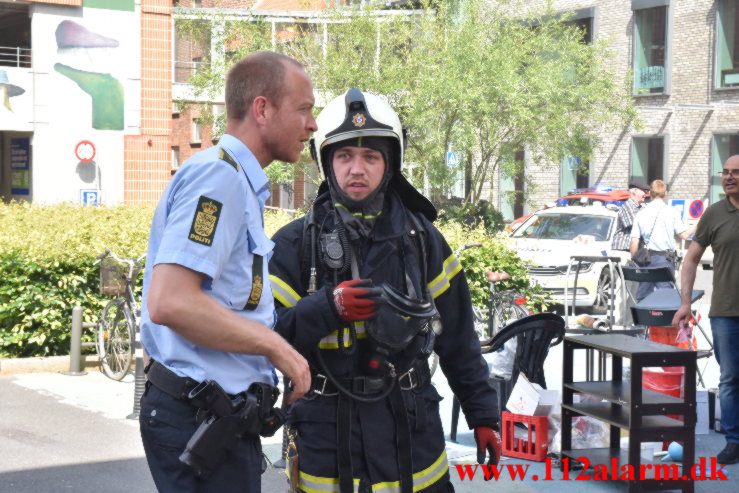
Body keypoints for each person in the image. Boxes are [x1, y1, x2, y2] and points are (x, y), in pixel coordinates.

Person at [269, 89, 501, 493]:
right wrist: (327, 307)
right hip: (326, 437)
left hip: (410, 434)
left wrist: (482, 415)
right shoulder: (294, 245)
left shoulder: (423, 240)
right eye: (344, 156)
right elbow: (266, 336)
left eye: (370, 157)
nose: (356, 168)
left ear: (389, 163)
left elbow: (459, 338)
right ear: (326, 162)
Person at [138, 51, 315, 492]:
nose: (312, 125)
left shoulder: (234, 178)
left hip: (213, 418)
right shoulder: (220, 180)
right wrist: (279, 350)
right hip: (200, 420)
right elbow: (171, 301)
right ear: (262, 109)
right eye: (304, 109)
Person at [673, 156, 739, 464]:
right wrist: (685, 302)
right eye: (725, 172)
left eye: (736, 172)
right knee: (729, 379)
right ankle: (734, 441)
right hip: (726, 311)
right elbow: (690, 259)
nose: (729, 177)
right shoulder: (714, 214)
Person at [629, 179, 694, 301]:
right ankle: (662, 320)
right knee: (665, 298)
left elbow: (634, 242)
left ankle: (644, 319)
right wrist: (698, 224)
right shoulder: (672, 212)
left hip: (646, 260)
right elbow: (684, 235)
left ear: (650, 193)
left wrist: (636, 262)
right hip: (665, 260)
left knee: (643, 298)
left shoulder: (641, 213)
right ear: (666, 193)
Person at [611, 179, 650, 251]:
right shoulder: (628, 206)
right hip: (623, 249)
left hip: (633, 249)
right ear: (635, 191)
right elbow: (636, 224)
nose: (646, 194)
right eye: (644, 191)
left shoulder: (641, 207)